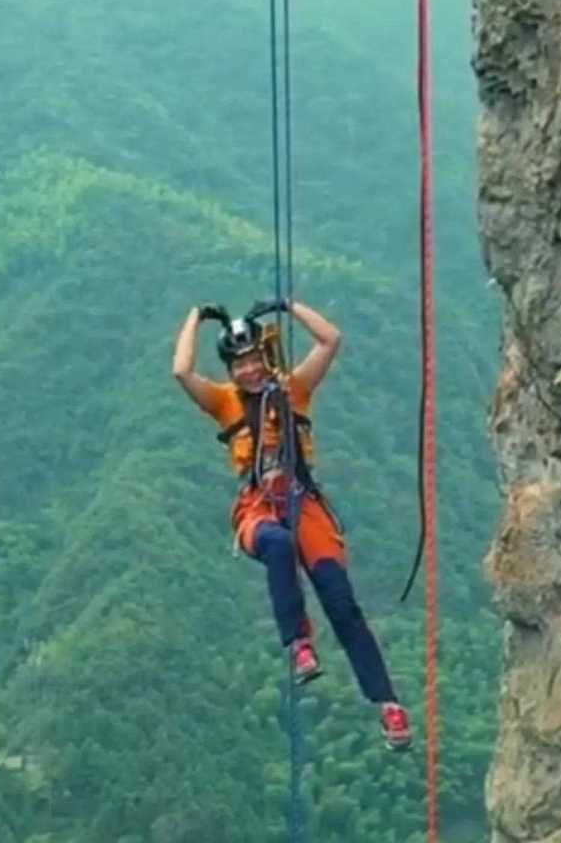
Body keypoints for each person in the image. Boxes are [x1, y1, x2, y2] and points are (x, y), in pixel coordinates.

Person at [172, 297, 412, 750]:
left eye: (253, 360)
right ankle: (299, 642)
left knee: (341, 602)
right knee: (277, 544)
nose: (247, 371)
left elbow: (330, 340)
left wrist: (288, 307)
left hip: (304, 502)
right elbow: (182, 372)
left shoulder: (293, 390)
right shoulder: (225, 404)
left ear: (265, 356)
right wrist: (195, 318)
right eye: (239, 364)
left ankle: (388, 705)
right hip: (258, 506)